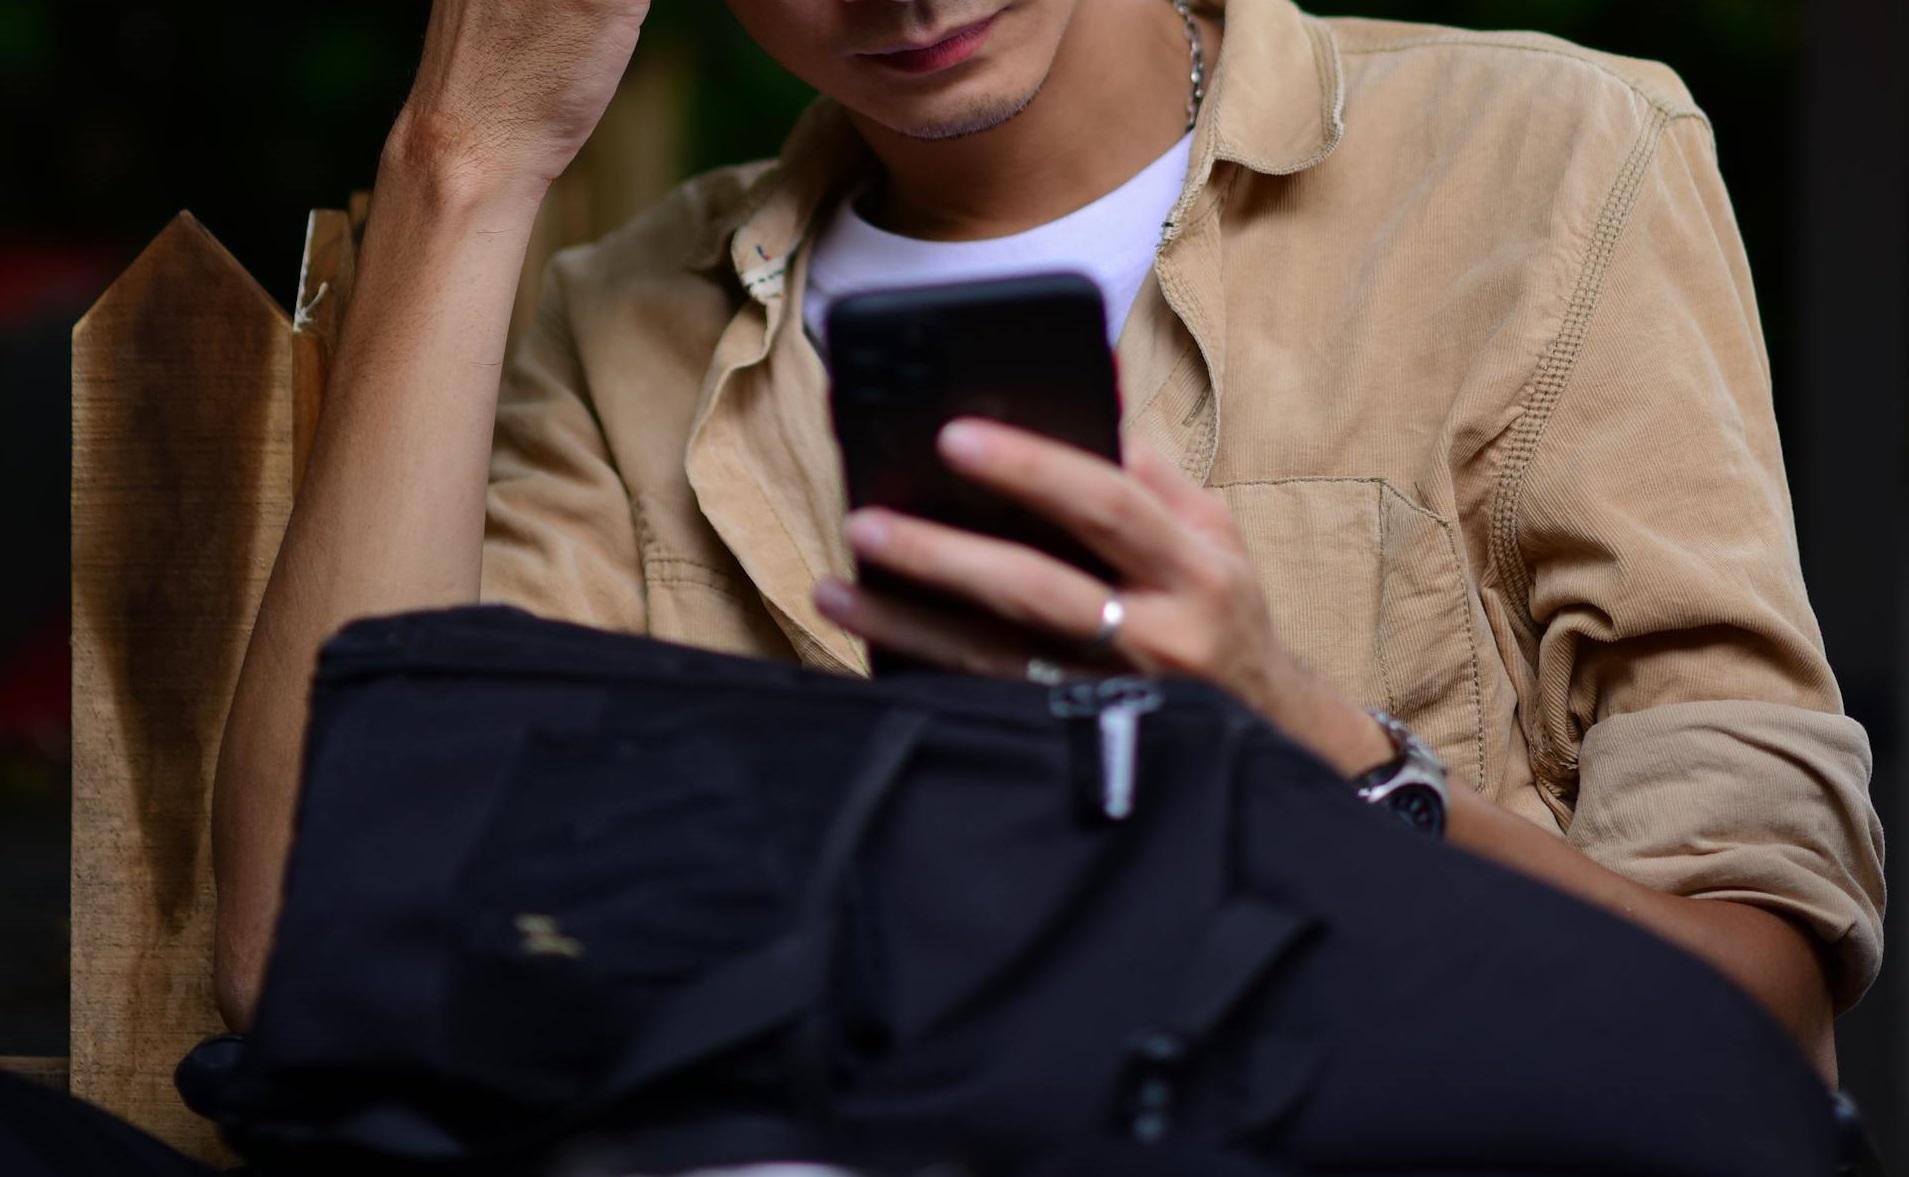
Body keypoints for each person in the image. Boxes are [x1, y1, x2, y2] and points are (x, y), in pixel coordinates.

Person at [212, 0, 1883, 1090]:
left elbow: (1759, 1028)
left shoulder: (1541, 164)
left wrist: (1300, 742)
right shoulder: (607, 332)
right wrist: (468, 161)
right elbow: (304, 953)